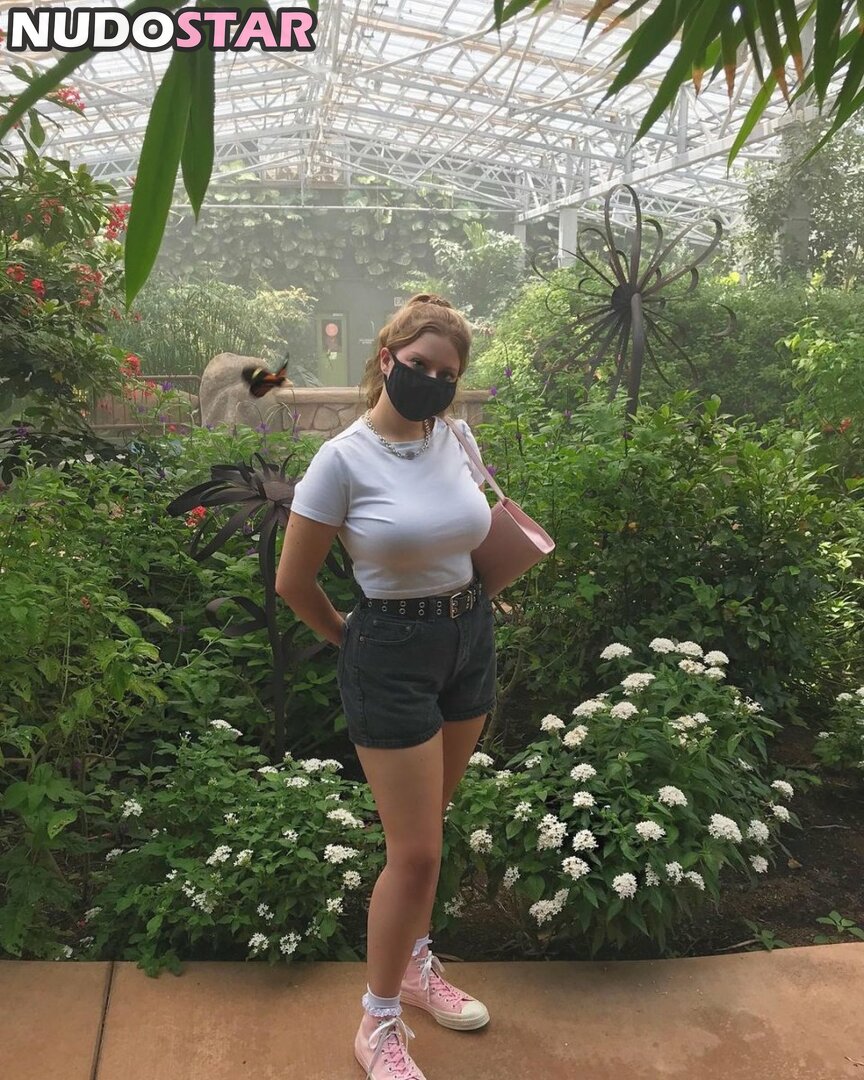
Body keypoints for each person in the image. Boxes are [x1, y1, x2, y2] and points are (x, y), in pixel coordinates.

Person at [276, 294, 496, 1079]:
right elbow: (294, 582)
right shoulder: (341, 460)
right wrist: (353, 641)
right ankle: (378, 1022)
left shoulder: (457, 437)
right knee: (416, 854)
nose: (433, 381)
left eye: (448, 373)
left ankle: (414, 966)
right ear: (386, 359)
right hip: (390, 652)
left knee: (430, 830)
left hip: (468, 639)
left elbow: (472, 531)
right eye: (420, 365)